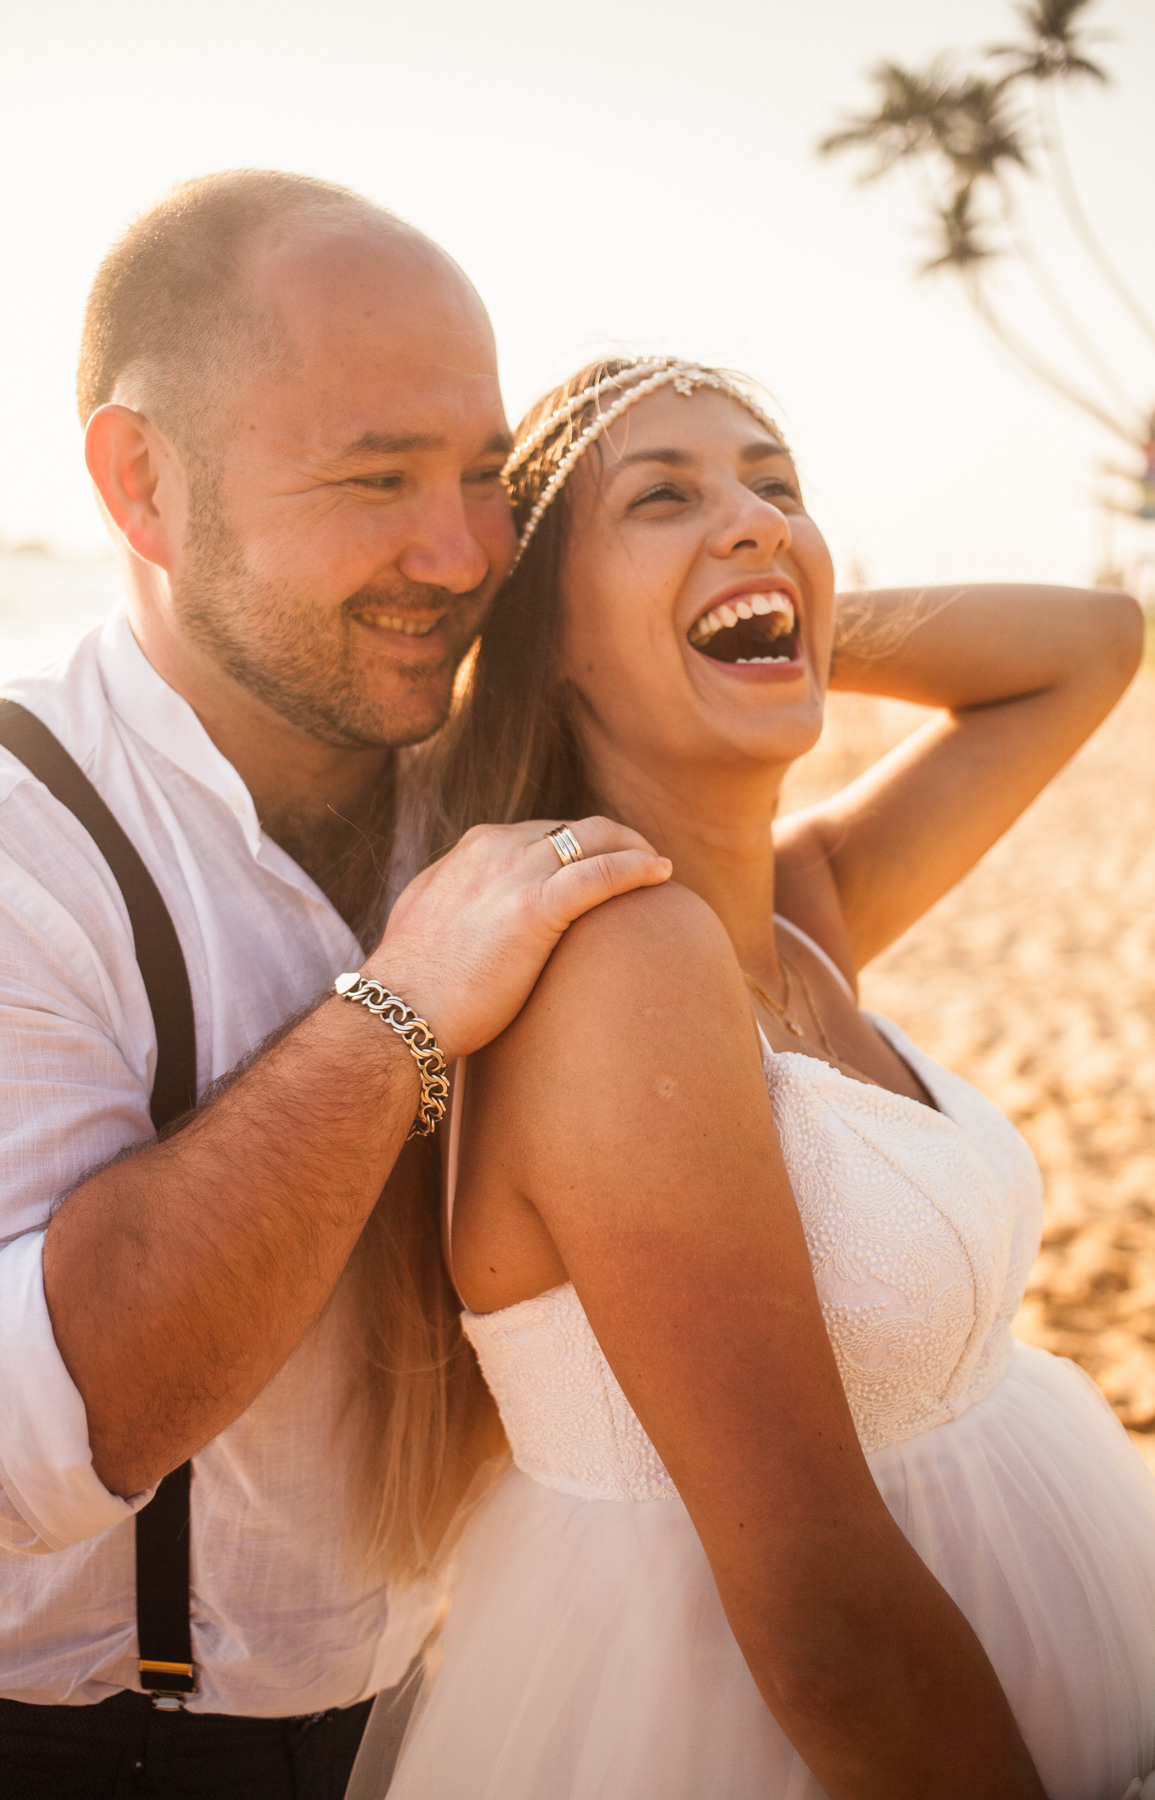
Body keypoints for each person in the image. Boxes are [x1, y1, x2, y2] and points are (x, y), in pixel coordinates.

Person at [364, 356, 1155, 1800]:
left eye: (778, 485)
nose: (751, 515)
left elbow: (1093, 643)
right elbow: (824, 1637)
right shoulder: (617, 966)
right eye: (666, 495)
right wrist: (690, 614)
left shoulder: (792, 915)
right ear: (544, 625)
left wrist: (760, 612)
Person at [0, 173, 673, 1799]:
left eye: (486, 478)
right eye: (377, 478)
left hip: (439, 1720)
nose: (455, 555)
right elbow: (37, 1435)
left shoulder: (492, 779)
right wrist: (401, 1009)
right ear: (140, 481)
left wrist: (701, 595)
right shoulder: (24, 840)